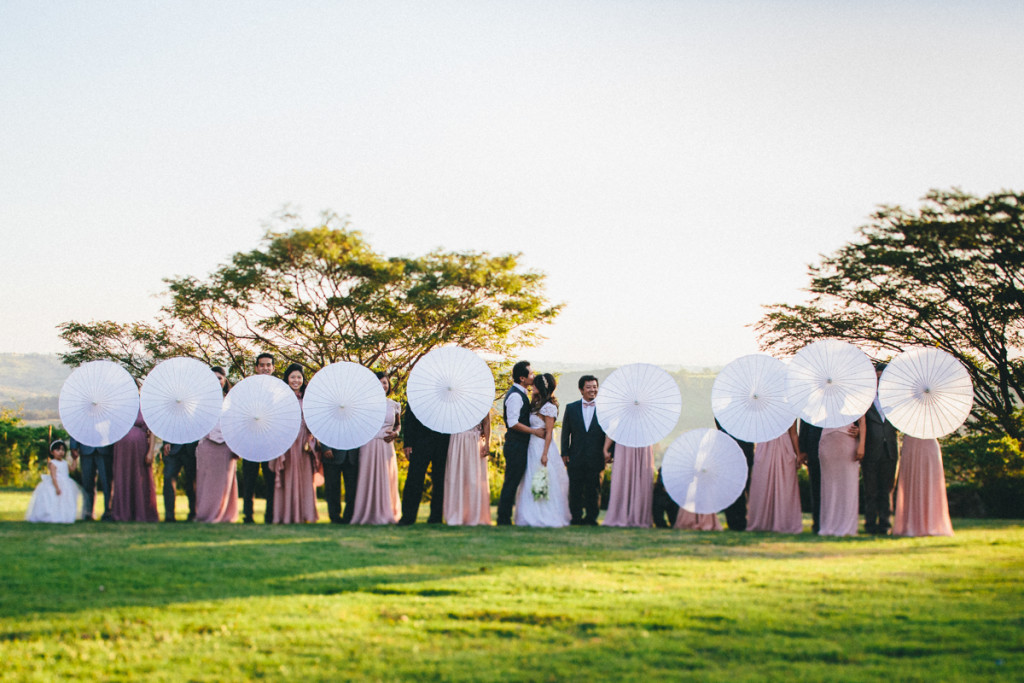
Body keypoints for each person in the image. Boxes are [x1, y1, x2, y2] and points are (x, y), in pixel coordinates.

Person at [514, 373, 570, 527]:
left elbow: (549, 433)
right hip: (531, 447)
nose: (532, 387)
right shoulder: (536, 404)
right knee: (530, 478)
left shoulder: (549, 408)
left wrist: (545, 454)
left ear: (542, 387)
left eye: (535, 385)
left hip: (541, 448)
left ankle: (544, 514)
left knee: (542, 478)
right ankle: (529, 514)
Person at [350, 372, 402, 525]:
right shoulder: (364, 404)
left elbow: (398, 424)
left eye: (385, 382)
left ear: (388, 385)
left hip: (387, 445)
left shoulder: (394, 404)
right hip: (369, 444)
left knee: (387, 477)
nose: (382, 385)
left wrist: (396, 432)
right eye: (378, 382)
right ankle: (367, 512)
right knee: (368, 477)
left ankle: (387, 512)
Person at [496, 361, 544, 525]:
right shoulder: (516, 396)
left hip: (522, 445)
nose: (534, 376)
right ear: (522, 378)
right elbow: (513, 423)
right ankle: (503, 518)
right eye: (531, 374)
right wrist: (534, 431)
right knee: (512, 481)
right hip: (516, 445)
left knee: (517, 481)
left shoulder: (522, 393)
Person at [560, 375, 609, 525]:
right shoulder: (571, 408)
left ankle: (591, 517)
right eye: (589, 387)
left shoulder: (605, 409)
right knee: (575, 488)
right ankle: (576, 517)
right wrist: (564, 453)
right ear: (581, 389)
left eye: (595, 387)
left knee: (594, 489)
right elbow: (565, 433)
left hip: (596, 455)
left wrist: (608, 452)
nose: (592, 390)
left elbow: (610, 432)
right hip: (576, 455)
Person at [273, 364, 319, 524]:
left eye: (299, 377)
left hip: (305, 442)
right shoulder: (280, 399)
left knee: (306, 477)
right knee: (288, 477)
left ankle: (305, 514)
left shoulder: (308, 399)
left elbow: (314, 422)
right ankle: (287, 514)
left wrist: (310, 437)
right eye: (293, 377)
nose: (296, 380)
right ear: (287, 379)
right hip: (287, 442)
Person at [195, 367, 238, 523]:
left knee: (225, 481)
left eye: (219, 378)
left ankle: (224, 514)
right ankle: (205, 514)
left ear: (224, 380)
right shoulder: (200, 402)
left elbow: (236, 424)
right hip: (207, 444)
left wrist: (237, 446)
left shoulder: (232, 400)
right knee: (206, 481)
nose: (216, 381)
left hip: (227, 446)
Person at [746, 422, 804, 534]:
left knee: (785, 486)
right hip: (766, 445)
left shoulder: (790, 410)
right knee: (762, 483)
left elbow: (793, 434)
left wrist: (798, 454)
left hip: (783, 447)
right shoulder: (763, 409)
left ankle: (784, 522)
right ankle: (763, 521)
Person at [241, 353, 279, 524]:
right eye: (262, 365)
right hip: (251, 440)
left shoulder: (279, 389)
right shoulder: (247, 387)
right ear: (256, 368)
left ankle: (270, 515)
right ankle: (248, 515)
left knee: (270, 480)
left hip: (270, 441)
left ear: (273, 368)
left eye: (268, 365)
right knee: (249, 480)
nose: (265, 368)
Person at [863, 363, 900, 535]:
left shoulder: (896, 402)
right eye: (877, 378)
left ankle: (885, 524)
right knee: (870, 490)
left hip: (890, 450)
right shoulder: (865, 400)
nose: (879, 381)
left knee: (887, 489)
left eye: (882, 378)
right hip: (871, 450)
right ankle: (870, 524)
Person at [399, 403, 451, 525]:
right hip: (420, 441)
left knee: (440, 480)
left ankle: (436, 517)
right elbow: (409, 418)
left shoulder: (447, 393)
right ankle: (408, 517)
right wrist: (408, 443)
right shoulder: (418, 392)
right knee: (414, 479)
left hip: (442, 441)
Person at [893, 436, 954, 537]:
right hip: (910, 446)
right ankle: (911, 524)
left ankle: (932, 524)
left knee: (930, 486)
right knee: (911, 486)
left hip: (929, 445)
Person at [818, 418, 865, 537]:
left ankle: (847, 526)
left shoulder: (856, 399)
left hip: (848, 440)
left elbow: (862, 421)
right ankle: (828, 524)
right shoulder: (823, 399)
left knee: (849, 486)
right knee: (829, 486)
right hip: (827, 441)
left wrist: (861, 444)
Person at [111, 408, 160, 522]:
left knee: (139, 477)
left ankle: (141, 512)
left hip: (139, 448)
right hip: (122, 449)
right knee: (123, 478)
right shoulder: (120, 406)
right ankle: (123, 513)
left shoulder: (145, 406)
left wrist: (151, 451)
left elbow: (152, 430)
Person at [443, 413, 492, 526]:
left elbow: (486, 421)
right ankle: (456, 514)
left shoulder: (482, 400)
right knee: (456, 478)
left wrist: (487, 443)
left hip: (475, 441)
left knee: (474, 478)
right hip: (456, 440)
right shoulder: (454, 400)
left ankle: (474, 514)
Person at [602, 437, 654, 528]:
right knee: (622, 477)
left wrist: (606, 448)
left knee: (634, 478)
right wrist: (605, 448)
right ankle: (631, 515)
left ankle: (637, 516)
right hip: (626, 445)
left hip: (639, 445)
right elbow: (612, 430)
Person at [26, 440, 82, 523]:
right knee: (54, 500)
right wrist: (57, 487)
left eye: (63, 450)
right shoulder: (53, 463)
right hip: (56, 484)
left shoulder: (64, 462)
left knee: (65, 501)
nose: (61, 452)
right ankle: (52, 516)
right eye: (58, 450)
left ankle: (64, 516)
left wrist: (75, 459)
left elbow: (72, 469)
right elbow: (53, 476)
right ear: (52, 452)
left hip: (66, 484)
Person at [717, 419, 755, 531]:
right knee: (731, 485)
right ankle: (735, 519)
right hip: (730, 448)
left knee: (742, 484)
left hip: (742, 448)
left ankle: (739, 519)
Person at [68, 437, 112, 521]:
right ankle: (88, 512)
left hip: (105, 448)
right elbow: (76, 428)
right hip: (86, 449)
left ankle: (108, 512)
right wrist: (73, 446)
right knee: (87, 483)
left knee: (107, 483)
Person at [320, 442, 360, 524]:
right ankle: (335, 516)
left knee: (352, 489)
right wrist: (326, 448)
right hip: (332, 454)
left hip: (352, 455)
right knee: (332, 488)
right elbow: (323, 432)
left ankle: (349, 516)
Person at [797, 419, 824, 534]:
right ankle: (817, 523)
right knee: (816, 487)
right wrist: (802, 449)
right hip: (814, 447)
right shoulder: (810, 402)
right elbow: (804, 422)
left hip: (836, 445)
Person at [160, 440, 197, 523]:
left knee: (192, 483)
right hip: (173, 449)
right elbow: (167, 426)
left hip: (192, 449)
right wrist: (166, 442)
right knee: (168, 479)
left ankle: (193, 513)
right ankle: (169, 516)